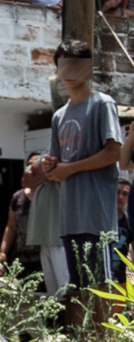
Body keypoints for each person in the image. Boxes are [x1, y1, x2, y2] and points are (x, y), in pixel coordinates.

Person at [42, 39, 123, 290]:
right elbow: (57, 169)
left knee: (102, 292)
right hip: (69, 219)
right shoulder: (59, 115)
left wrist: (70, 168)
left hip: (96, 217)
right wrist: (50, 166)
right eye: (62, 65)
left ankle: (106, 333)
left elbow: (114, 153)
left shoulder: (102, 103)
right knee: (77, 293)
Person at [25, 154, 67, 297]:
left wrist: (44, 169)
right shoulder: (49, 152)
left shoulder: (61, 153)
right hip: (45, 238)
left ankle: (72, 320)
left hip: (59, 239)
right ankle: (61, 320)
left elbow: (36, 170)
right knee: (53, 296)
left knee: (66, 291)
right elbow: (27, 178)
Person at [0, 154, 43, 277]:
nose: (29, 168)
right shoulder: (18, 197)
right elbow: (11, 226)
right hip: (21, 257)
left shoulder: (47, 194)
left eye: (34, 165)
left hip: (43, 257)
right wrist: (3, 252)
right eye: (28, 164)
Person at [110, 179, 133, 285]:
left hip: (120, 279)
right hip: (100, 277)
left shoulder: (129, 223)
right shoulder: (102, 221)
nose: (120, 197)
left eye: (125, 194)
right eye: (117, 192)